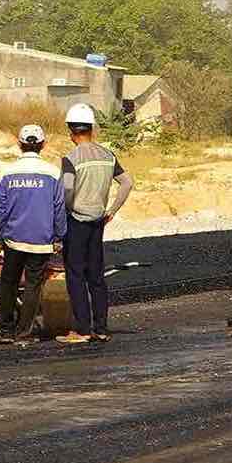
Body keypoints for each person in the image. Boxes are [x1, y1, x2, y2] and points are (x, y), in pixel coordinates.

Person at [57, 103, 135, 344]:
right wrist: (112, 210)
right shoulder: (107, 155)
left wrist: (65, 210)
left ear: (71, 131)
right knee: (96, 276)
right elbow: (127, 183)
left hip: (77, 222)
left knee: (75, 275)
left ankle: (82, 329)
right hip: (98, 222)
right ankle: (101, 329)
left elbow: (67, 189)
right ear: (92, 129)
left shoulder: (71, 158)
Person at [0, 124, 67, 345]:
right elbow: (59, 207)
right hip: (41, 241)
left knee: (8, 283)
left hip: (13, 239)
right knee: (33, 285)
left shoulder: (6, 173)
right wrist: (59, 236)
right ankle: (24, 333)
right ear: (43, 145)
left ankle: (4, 332)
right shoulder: (53, 173)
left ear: (19, 144)